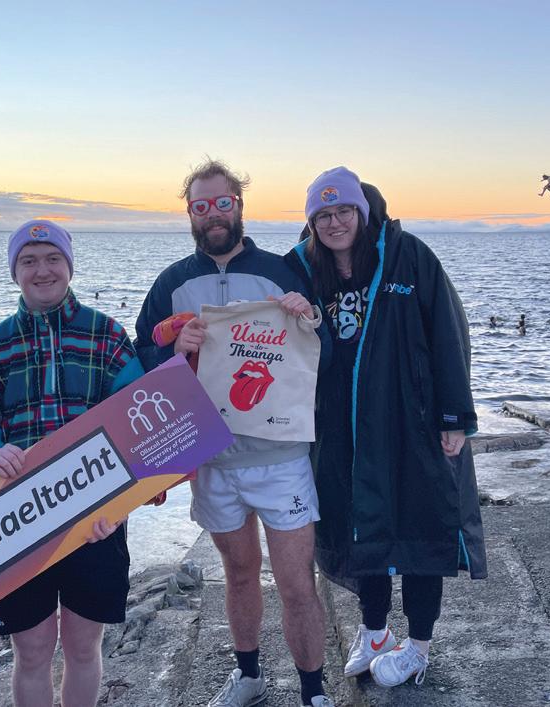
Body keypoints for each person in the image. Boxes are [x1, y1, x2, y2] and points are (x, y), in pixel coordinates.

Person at [135, 159, 334, 707]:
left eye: (223, 202)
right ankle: (248, 677)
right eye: (201, 206)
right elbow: (139, 360)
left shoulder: (282, 271)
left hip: (281, 456)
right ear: (190, 214)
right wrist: (172, 352)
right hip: (212, 460)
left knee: (297, 584)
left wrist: (307, 316)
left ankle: (314, 692)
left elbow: (325, 354)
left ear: (239, 205)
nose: (213, 214)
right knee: (239, 575)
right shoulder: (172, 283)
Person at [284, 167, 487, 689]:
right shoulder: (302, 268)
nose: (335, 223)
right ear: (311, 222)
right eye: (323, 215)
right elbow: (268, 336)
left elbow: (448, 333)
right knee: (361, 525)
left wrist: (454, 418)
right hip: (342, 426)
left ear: (362, 211)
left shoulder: (409, 255)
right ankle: (374, 631)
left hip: (411, 420)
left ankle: (419, 644)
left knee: (420, 526)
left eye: (343, 211)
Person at [0, 220, 143, 707]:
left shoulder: (107, 335)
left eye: (53, 258)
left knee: (83, 646)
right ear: (15, 271)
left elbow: (137, 426)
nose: (42, 270)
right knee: (33, 651)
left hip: (95, 517)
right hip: (19, 520)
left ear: (69, 266)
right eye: (29, 260)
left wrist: (121, 505)